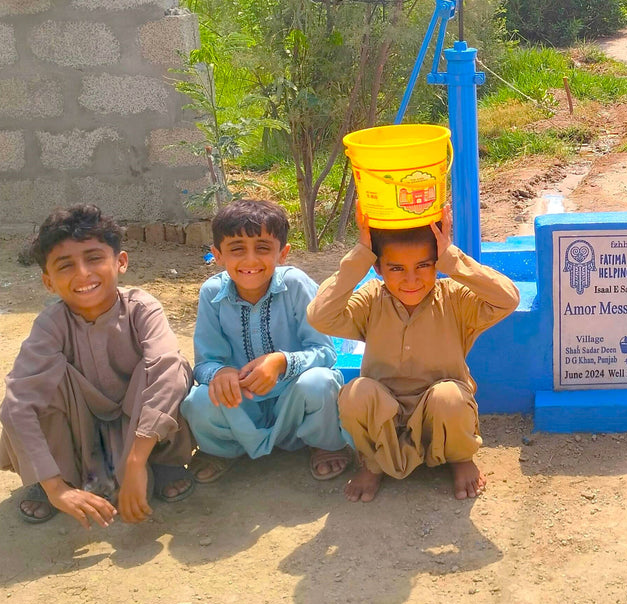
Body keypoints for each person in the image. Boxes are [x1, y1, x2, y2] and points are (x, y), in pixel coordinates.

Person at [306, 204, 520, 503]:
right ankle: (374, 463)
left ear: (436, 264)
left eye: (424, 265)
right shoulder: (371, 299)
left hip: (441, 413)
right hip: (384, 413)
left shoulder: (455, 299)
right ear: (379, 268)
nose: (411, 280)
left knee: (450, 397)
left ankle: (460, 458)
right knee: (356, 393)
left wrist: (452, 258)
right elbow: (320, 316)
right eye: (396, 268)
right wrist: (361, 256)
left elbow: (507, 298)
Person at [0, 205, 194, 526]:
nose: (83, 274)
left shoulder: (141, 308)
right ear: (49, 282)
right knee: (36, 387)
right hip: (77, 432)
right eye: (65, 266)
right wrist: (54, 487)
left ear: (121, 262)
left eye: (93, 258)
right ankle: (53, 479)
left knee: (171, 367)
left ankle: (158, 461)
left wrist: (135, 462)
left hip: (136, 428)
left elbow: (168, 369)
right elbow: (17, 405)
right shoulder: (51, 325)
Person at [180, 200, 352, 484]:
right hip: (241, 403)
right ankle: (224, 450)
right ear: (217, 255)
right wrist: (220, 373)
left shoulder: (296, 285)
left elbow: (325, 352)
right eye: (236, 249)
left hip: (292, 398)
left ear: (282, 253)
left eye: (262, 248)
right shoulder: (211, 293)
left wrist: (282, 361)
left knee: (320, 383)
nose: (250, 261)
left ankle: (323, 443)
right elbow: (204, 363)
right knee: (198, 400)